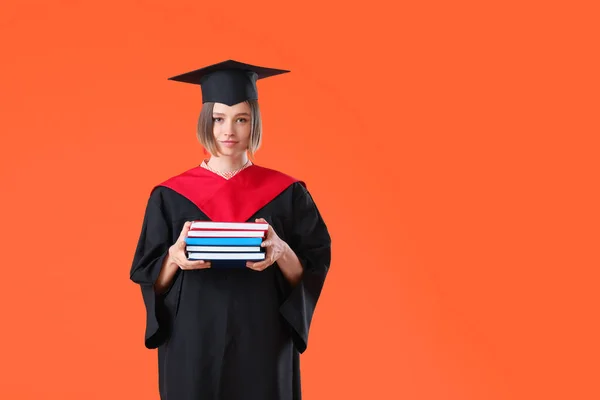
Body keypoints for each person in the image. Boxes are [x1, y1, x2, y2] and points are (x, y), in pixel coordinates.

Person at [129, 59, 332, 400]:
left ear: (254, 124)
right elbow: (150, 280)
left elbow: (311, 271)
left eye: (241, 119)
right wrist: (173, 259)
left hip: (264, 337)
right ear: (205, 121)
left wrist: (281, 251)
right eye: (218, 119)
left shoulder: (288, 193)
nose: (229, 131)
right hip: (192, 341)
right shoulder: (170, 195)